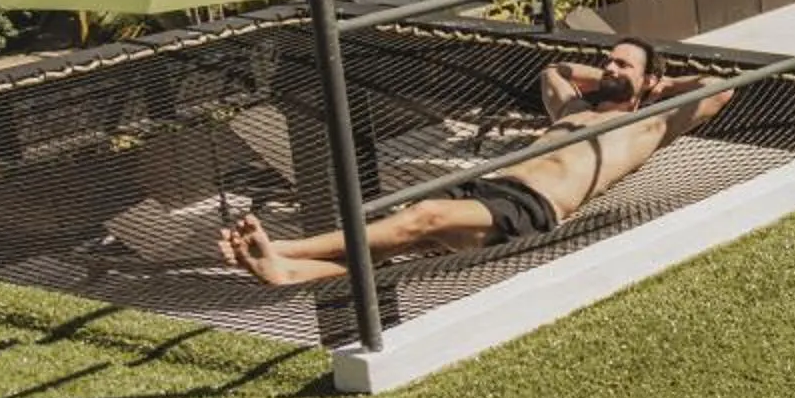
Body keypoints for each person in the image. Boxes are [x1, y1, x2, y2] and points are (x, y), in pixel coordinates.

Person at [219, 36, 736, 286]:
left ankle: (284, 246)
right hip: (490, 187)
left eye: (622, 63)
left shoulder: (647, 124)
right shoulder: (574, 108)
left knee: (422, 220)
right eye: (607, 59)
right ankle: (287, 273)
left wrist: (665, 85)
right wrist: (605, 72)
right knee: (403, 236)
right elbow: (552, 70)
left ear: (648, 81)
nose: (608, 66)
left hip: (532, 209)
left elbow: (719, 91)